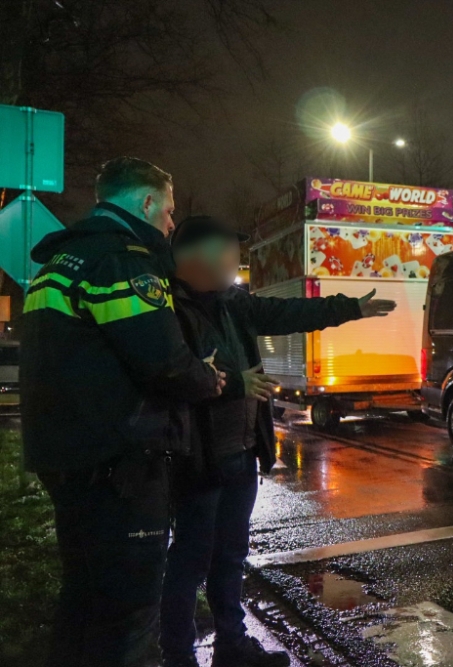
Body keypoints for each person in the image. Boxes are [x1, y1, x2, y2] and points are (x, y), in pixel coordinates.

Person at [160, 215, 395, 667]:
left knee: (231, 556)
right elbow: (173, 375)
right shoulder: (168, 307)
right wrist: (234, 384)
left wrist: (349, 308)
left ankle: (231, 645)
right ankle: (178, 655)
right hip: (199, 457)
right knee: (189, 561)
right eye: (230, 248)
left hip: (241, 452)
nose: (237, 259)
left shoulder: (233, 302)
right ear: (199, 254)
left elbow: (288, 314)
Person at [19, 158, 225, 667]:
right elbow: (163, 361)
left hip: (67, 455)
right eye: (169, 210)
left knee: (84, 598)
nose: (171, 224)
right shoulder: (124, 262)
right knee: (127, 613)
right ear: (146, 202)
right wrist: (208, 378)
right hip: (119, 464)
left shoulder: (60, 262)